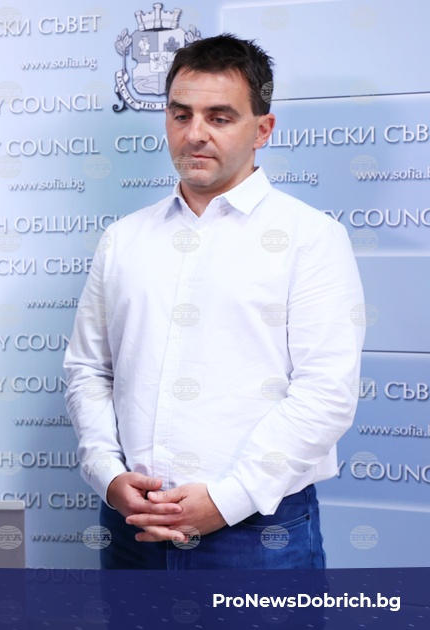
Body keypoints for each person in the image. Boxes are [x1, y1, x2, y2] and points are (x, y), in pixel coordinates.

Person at [64, 34, 365, 569]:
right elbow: (89, 370)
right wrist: (108, 475)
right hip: (133, 529)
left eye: (219, 117)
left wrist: (229, 499)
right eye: (181, 115)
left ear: (263, 130)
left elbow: (326, 393)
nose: (195, 134)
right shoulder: (123, 240)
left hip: (258, 534)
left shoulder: (311, 238)